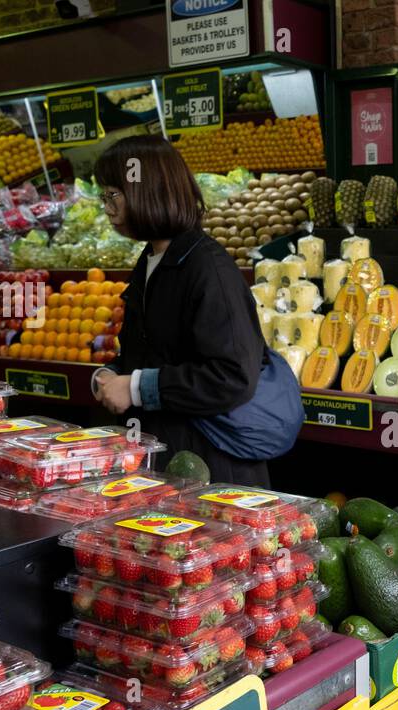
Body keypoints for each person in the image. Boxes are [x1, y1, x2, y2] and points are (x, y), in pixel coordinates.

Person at [90, 135, 270, 484]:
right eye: (104, 196)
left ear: (147, 193)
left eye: (113, 195)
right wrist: (111, 375)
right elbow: (153, 352)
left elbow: (233, 377)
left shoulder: (207, 268)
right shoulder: (152, 260)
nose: (108, 207)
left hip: (211, 470)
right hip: (166, 459)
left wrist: (136, 387)